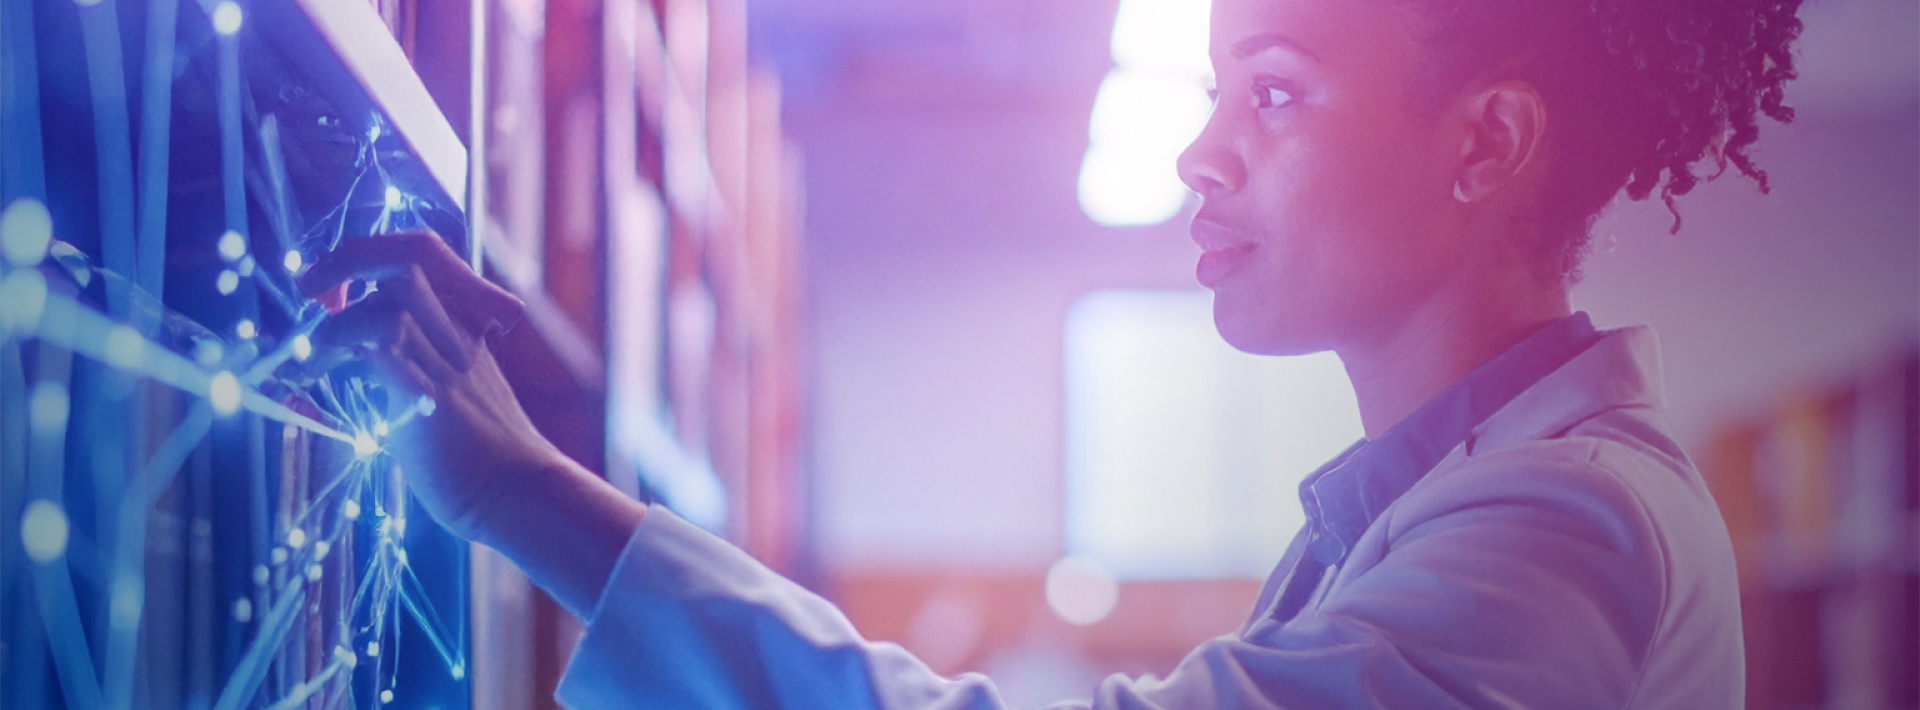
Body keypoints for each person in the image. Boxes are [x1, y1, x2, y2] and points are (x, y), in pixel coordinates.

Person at [300, 0, 1804, 705]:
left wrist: (524, 494)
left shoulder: (1566, 525)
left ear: (1487, 141)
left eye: (1271, 97)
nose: (1200, 158)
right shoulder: (1436, 500)